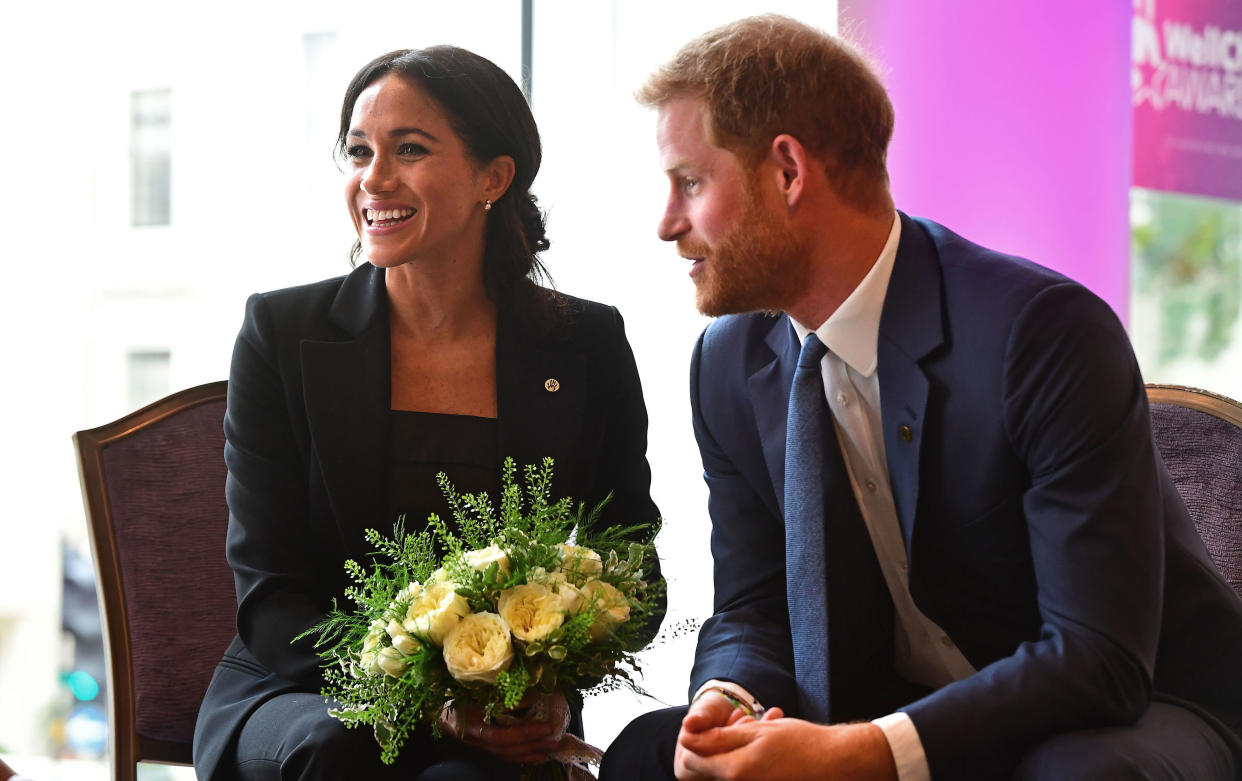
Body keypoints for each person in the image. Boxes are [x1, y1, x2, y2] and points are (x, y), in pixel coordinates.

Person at [601, 14, 1242, 781]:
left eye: (691, 182)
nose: (666, 223)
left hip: (1138, 704)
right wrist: (726, 698)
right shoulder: (726, 364)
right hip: (899, 701)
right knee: (653, 754)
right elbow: (754, 604)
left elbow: (1097, 656)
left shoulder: (1042, 334)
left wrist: (866, 751)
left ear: (788, 171)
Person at [192, 45, 663, 781]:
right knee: (344, 746)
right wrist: (430, 700)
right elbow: (272, 592)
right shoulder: (282, 332)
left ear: (493, 177)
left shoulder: (586, 343)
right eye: (358, 152)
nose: (372, 179)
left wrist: (548, 683)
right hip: (304, 693)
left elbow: (632, 560)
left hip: (504, 710)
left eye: (408, 150)